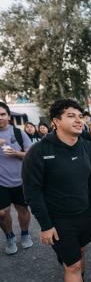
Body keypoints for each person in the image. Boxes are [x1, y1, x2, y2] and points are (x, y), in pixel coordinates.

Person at [22, 99, 91, 282]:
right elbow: (32, 192)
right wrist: (46, 226)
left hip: (84, 216)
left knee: (80, 253)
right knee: (73, 264)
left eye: (80, 115)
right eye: (70, 115)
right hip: (58, 220)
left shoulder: (87, 147)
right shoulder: (39, 152)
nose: (78, 120)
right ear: (56, 121)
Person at [0, 102, 33, 255]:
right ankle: (9, 236)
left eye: (2, 114)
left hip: (20, 180)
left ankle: (25, 234)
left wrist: (16, 153)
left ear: (8, 116)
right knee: (2, 213)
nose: (0, 118)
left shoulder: (19, 133)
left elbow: (30, 154)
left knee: (23, 209)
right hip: (1, 183)